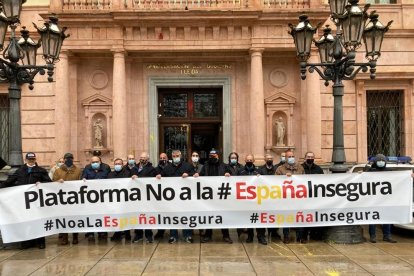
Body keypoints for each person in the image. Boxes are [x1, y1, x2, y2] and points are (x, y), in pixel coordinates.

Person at [2, 152, 51, 249]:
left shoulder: (41, 171)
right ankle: (28, 242)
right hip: (23, 201)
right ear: (26, 160)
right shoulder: (20, 171)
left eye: (33, 159)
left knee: (38, 220)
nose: (31, 161)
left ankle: (40, 241)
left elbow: (49, 183)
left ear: (35, 160)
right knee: (26, 221)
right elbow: (9, 182)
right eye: (29, 159)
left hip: (37, 201)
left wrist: (41, 183)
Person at [198, 149, 233, 244]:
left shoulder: (224, 165)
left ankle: (226, 235)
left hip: (221, 195)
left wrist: (228, 174)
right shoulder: (205, 166)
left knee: (222, 215)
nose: (212, 157)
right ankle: (208, 235)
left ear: (218, 156)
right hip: (208, 195)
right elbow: (200, 176)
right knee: (209, 215)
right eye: (210, 155)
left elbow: (232, 175)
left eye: (214, 155)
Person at [162, 150, 195, 244]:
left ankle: (187, 235)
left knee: (185, 216)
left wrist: (189, 175)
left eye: (177, 155)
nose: (175, 157)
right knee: (173, 217)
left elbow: (195, 176)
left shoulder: (188, 166)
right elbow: (162, 179)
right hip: (172, 198)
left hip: (185, 197)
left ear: (181, 156)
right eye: (174, 156)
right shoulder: (167, 168)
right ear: (171, 157)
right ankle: (173, 236)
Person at [275, 149, 305, 244]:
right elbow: (275, 182)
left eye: (292, 156)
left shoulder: (300, 168)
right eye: (289, 157)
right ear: (286, 158)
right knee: (286, 217)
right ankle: (286, 236)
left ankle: (300, 236)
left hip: (298, 197)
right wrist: (283, 177)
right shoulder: (280, 169)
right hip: (286, 197)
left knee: (300, 216)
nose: (291, 158)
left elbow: (305, 180)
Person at [53, 152, 82, 245]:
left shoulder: (78, 170)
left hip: (74, 198)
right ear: (64, 159)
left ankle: (75, 237)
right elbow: (53, 183)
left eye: (70, 158)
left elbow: (81, 182)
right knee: (64, 218)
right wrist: (58, 181)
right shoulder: (58, 171)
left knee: (75, 218)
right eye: (67, 158)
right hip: (62, 198)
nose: (68, 160)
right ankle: (64, 238)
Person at [367, 154, 397, 243]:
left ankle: (387, 236)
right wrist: (360, 173)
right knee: (373, 218)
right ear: (375, 162)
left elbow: (398, 179)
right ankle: (372, 236)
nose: (381, 162)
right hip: (373, 200)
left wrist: (409, 176)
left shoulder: (389, 172)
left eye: (382, 161)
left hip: (385, 200)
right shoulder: (370, 172)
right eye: (379, 161)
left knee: (387, 218)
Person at [238, 154, 267, 245]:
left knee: (260, 218)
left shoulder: (259, 171)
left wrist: (261, 177)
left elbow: (266, 182)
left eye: (251, 159)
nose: (249, 161)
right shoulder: (240, 171)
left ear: (254, 160)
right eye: (248, 159)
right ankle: (250, 236)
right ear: (245, 160)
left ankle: (261, 236)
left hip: (258, 199)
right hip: (246, 199)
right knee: (250, 218)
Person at [82, 156, 109, 241]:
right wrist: (83, 179)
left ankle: (102, 232)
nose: (95, 163)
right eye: (93, 162)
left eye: (96, 162)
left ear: (100, 162)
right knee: (91, 214)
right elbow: (83, 178)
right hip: (90, 197)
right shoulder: (87, 168)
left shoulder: (106, 167)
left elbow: (111, 179)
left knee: (102, 214)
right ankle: (91, 232)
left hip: (103, 196)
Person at [132, 152, 156, 243]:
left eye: (144, 157)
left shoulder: (152, 169)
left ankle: (148, 235)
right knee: (138, 215)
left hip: (147, 196)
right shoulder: (134, 168)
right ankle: (138, 234)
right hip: (136, 196)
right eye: (141, 157)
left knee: (147, 215)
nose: (142, 159)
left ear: (148, 159)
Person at [301, 151, 324, 241]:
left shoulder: (318, 169)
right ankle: (303, 235)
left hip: (315, 197)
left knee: (314, 216)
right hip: (304, 197)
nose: (310, 158)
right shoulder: (301, 168)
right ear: (305, 158)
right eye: (308, 157)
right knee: (304, 217)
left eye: (311, 157)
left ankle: (315, 235)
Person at [108, 158, 132, 241]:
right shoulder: (110, 174)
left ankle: (127, 233)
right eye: (116, 164)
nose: (117, 165)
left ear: (122, 165)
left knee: (125, 216)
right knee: (116, 216)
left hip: (125, 199)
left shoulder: (127, 173)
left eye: (119, 164)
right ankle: (117, 233)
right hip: (114, 199)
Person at [259, 154, 280, 241]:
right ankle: (262, 235)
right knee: (263, 215)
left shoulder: (277, 169)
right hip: (263, 196)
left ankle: (274, 232)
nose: (269, 159)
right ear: (264, 159)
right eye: (268, 158)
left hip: (274, 195)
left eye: (271, 158)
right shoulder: (260, 169)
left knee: (273, 215)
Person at [153, 152, 171, 240]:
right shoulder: (156, 169)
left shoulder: (171, 167)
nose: (162, 159)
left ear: (167, 158)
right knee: (161, 213)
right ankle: (160, 232)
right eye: (161, 158)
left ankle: (172, 232)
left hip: (171, 194)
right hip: (160, 194)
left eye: (164, 158)